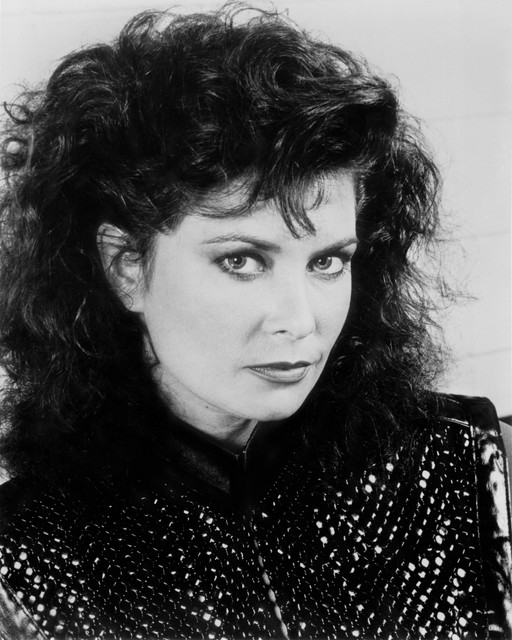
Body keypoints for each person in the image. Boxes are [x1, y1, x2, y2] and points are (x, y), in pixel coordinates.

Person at [0, 4, 510, 639]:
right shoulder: (27, 562)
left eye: (327, 261)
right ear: (126, 266)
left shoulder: (465, 466)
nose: (300, 321)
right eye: (241, 260)